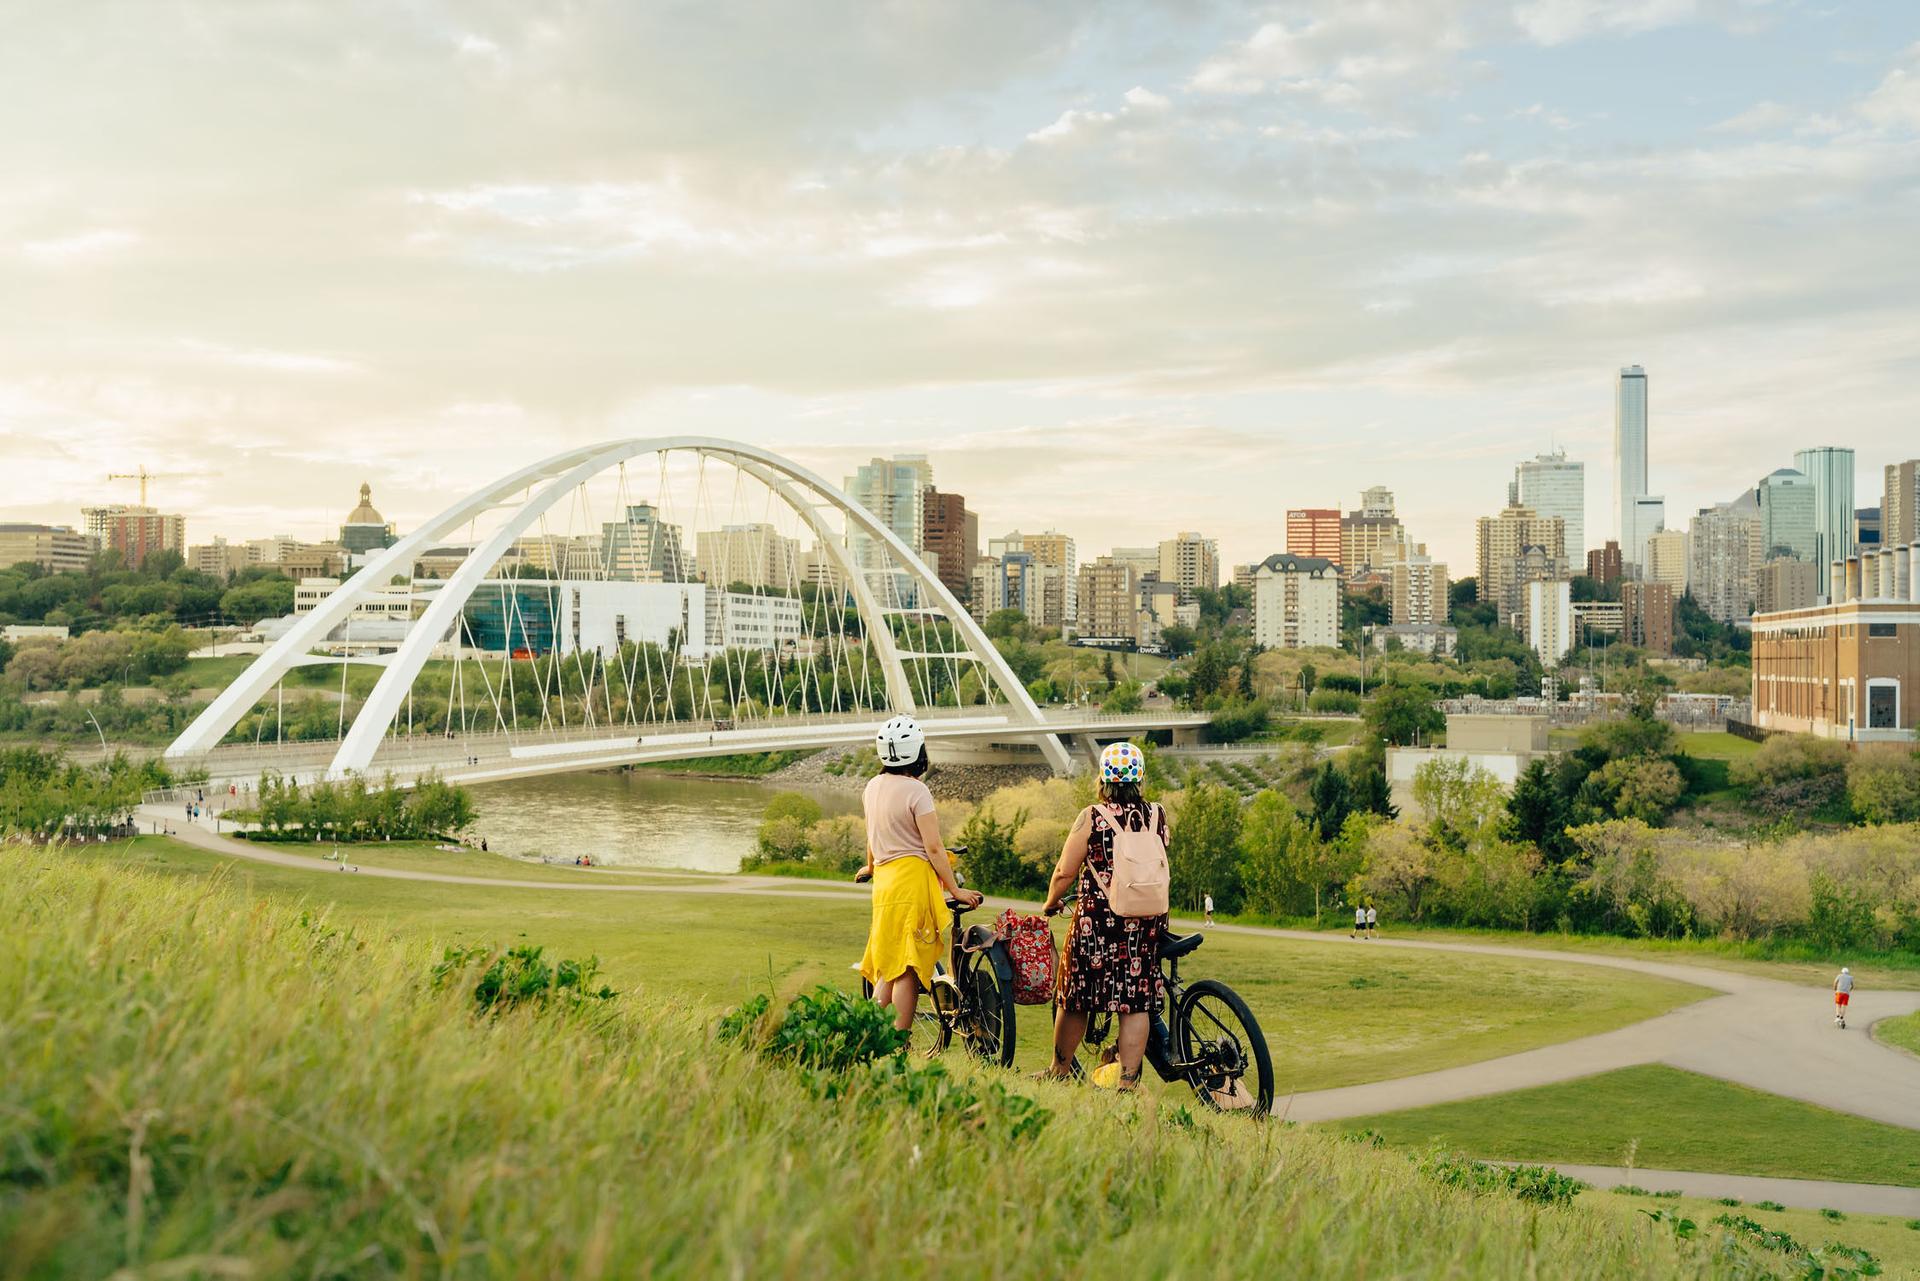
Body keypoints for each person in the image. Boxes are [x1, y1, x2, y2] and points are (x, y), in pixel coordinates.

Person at [1037, 741, 1169, 1092]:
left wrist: (1051, 902)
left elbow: (1065, 871)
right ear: (1140, 780)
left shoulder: (1092, 817)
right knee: (1135, 1000)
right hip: (1146, 922)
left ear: (1103, 780)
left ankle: (1059, 1070)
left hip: (1097, 922)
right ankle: (1126, 1082)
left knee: (1075, 995)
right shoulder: (1157, 815)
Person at [857, 715, 979, 1039]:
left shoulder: (871, 788)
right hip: (912, 884)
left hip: (884, 884)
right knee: (909, 969)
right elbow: (935, 848)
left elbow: (872, 838)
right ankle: (899, 1043)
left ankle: (866, 1033)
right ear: (919, 752)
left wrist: (870, 868)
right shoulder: (917, 791)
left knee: (890, 963)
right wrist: (955, 889)